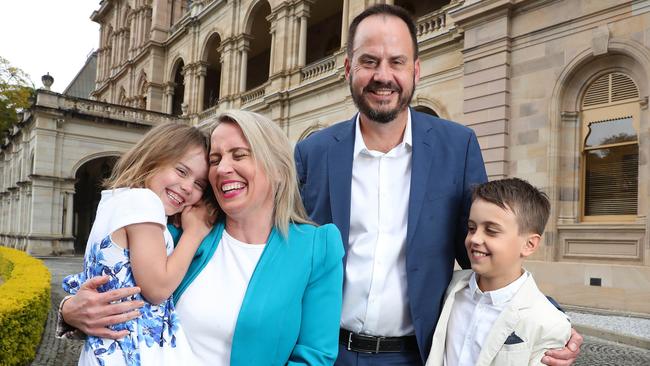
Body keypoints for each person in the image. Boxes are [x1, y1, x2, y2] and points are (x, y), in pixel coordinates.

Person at [294, 4, 582, 365]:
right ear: (349, 68)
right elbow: (287, 253)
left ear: (416, 70)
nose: (383, 76)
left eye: (396, 62)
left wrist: (549, 316)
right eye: (369, 61)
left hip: (417, 355)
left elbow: (487, 248)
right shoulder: (312, 153)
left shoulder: (457, 147)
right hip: (325, 353)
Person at [60, 110, 345, 365]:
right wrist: (68, 310)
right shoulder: (180, 230)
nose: (222, 169)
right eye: (216, 159)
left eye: (239, 154)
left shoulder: (317, 247)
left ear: (280, 170)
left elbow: (314, 357)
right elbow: (111, 275)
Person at [62, 122, 212, 365]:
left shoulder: (115, 201)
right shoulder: (144, 202)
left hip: (105, 351)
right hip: (134, 353)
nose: (187, 187)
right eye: (182, 171)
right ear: (153, 158)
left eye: (199, 185)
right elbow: (157, 289)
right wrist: (194, 233)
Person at [425, 178, 571, 366]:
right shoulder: (449, 286)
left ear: (529, 244)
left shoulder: (550, 322)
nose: (475, 239)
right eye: (471, 228)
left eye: (491, 231)